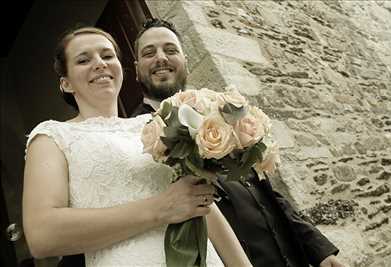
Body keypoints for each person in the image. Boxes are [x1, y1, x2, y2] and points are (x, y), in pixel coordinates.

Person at [57, 19, 345, 267]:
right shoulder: (130, 139)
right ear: (134, 68)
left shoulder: (225, 111)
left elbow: (267, 189)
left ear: (185, 59)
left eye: (171, 50)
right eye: (149, 52)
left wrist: (318, 249)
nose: (161, 58)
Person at [22, 26, 252, 267]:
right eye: (83, 60)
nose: (100, 63)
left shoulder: (156, 124)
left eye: (107, 56)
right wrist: (161, 209)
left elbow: (201, 202)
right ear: (66, 84)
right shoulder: (53, 136)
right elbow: (42, 235)